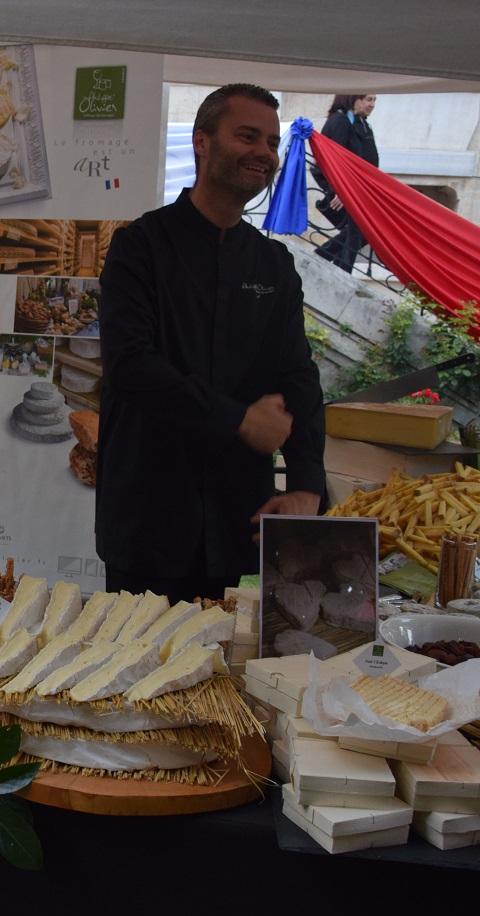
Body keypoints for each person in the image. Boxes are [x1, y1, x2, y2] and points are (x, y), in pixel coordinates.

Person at [95, 83, 325, 604]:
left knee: (223, 654)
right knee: (136, 653)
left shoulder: (273, 265)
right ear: (202, 142)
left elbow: (298, 376)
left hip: (235, 517)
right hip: (147, 518)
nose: (264, 152)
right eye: (248, 136)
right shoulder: (140, 247)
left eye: (271, 142)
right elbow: (131, 367)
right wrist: (239, 418)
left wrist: (306, 482)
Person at [312, 93, 379, 272]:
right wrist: (340, 190)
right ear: (352, 98)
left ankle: (324, 258)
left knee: (365, 231)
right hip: (347, 188)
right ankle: (339, 269)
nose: (372, 104)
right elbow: (332, 161)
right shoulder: (340, 121)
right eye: (368, 99)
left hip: (362, 189)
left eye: (374, 100)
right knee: (358, 231)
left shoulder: (361, 123)